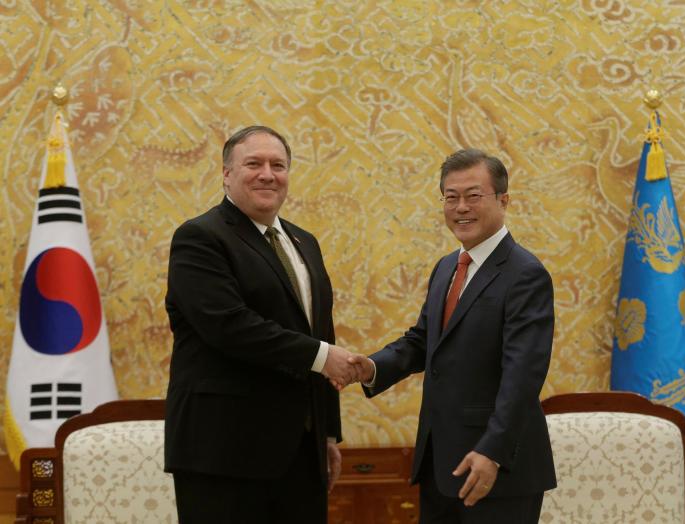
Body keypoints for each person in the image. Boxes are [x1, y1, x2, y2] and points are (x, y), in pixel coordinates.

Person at [348, 148, 556, 523]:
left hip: (496, 468)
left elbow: (522, 375)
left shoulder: (525, 274)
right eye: (451, 197)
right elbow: (422, 341)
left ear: (504, 200)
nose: (461, 207)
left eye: (474, 196)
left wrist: (491, 451)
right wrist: (371, 367)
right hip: (440, 463)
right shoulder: (447, 267)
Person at [164, 125, 355, 523]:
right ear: (226, 174)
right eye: (254, 163)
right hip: (224, 453)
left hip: (301, 453)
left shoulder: (305, 242)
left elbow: (322, 332)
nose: (268, 174)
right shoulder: (200, 237)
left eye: (278, 165)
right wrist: (321, 357)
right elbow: (228, 325)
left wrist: (327, 432)